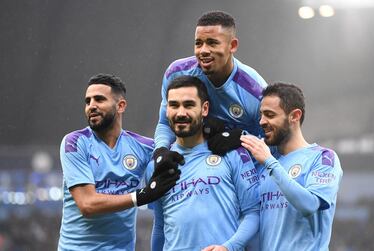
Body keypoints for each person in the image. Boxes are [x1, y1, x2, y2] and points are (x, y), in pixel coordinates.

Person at [58, 73, 181, 251]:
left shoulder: (143, 147)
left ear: (121, 105)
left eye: (99, 99)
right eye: (88, 101)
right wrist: (142, 196)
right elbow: (87, 204)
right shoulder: (75, 142)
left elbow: (185, 152)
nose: (91, 106)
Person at [147, 75, 260, 251]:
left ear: (205, 108)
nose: (181, 113)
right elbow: (160, 226)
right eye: (174, 105)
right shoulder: (158, 165)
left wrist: (228, 247)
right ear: (166, 110)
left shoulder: (232, 152)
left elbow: (253, 213)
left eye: (189, 105)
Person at [153, 10, 268, 162]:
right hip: (192, 162)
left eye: (212, 43)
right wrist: (161, 150)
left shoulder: (255, 90)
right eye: (198, 43)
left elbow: (273, 142)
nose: (203, 51)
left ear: (232, 46)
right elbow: (164, 123)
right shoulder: (176, 73)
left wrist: (241, 138)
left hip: (242, 168)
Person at [240, 82, 343, 250]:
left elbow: (310, 205)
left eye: (270, 115)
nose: (262, 121)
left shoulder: (322, 158)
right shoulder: (262, 162)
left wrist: (269, 162)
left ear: (294, 116)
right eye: (261, 115)